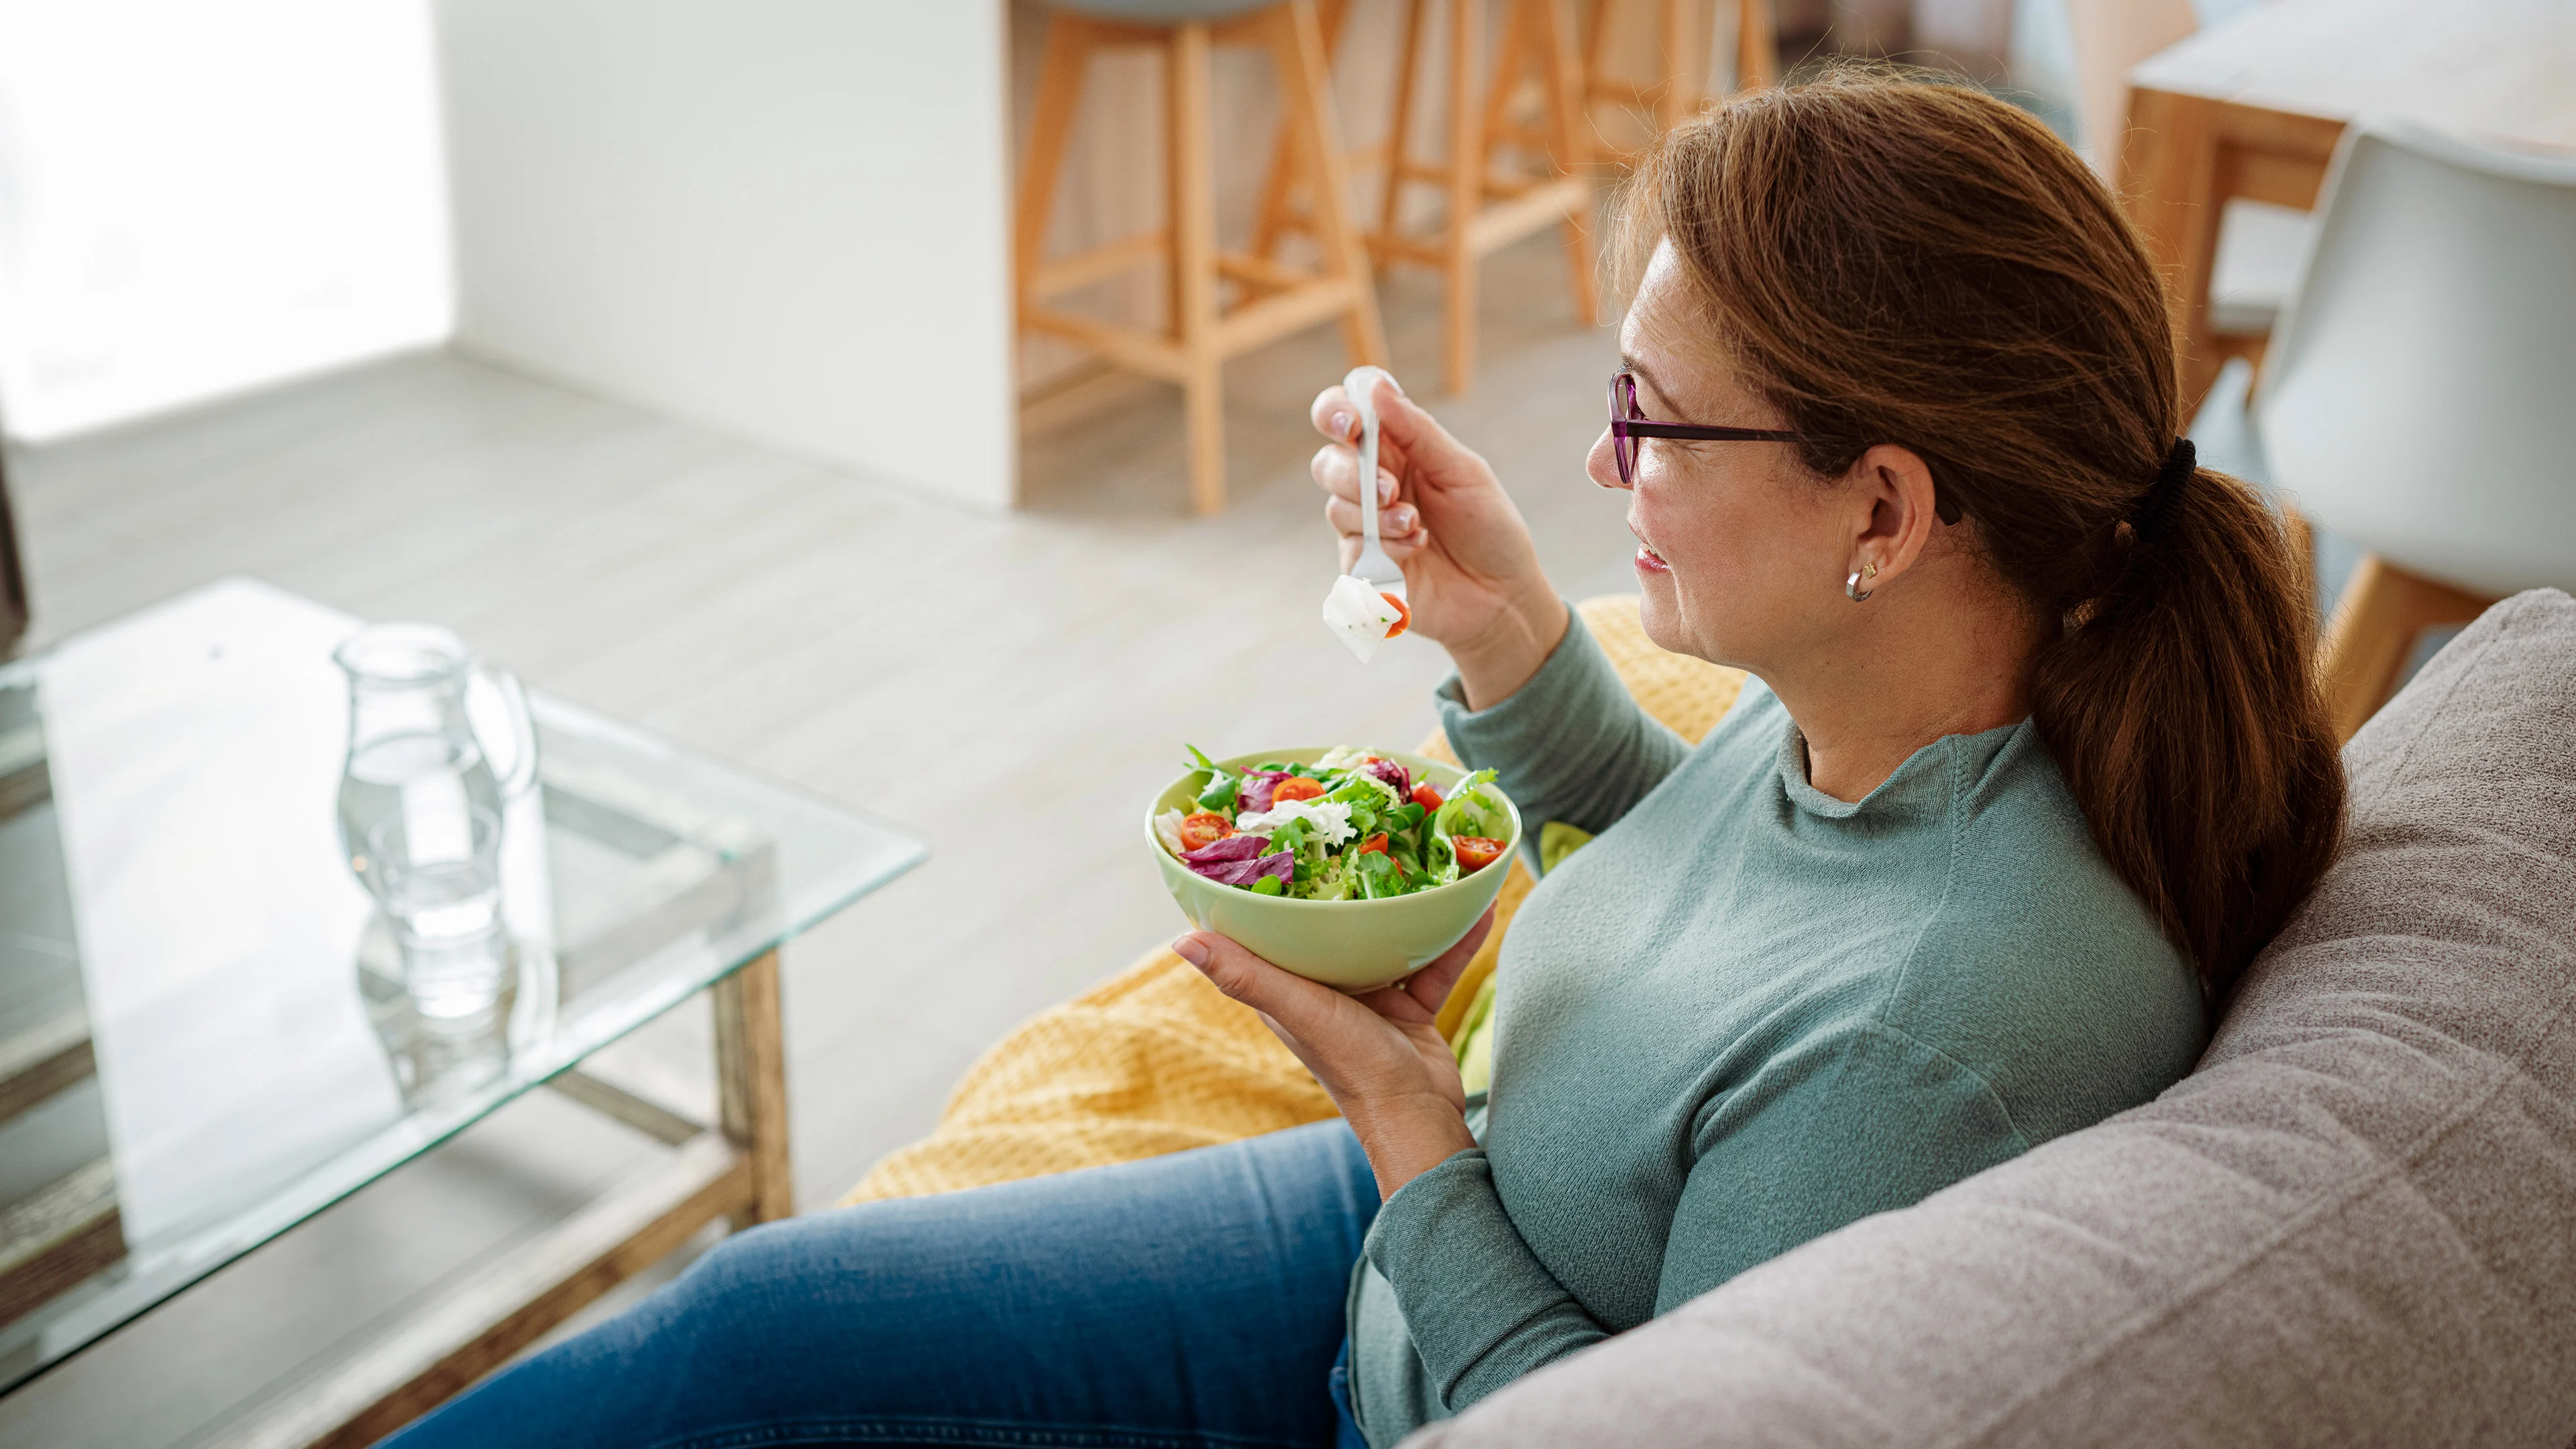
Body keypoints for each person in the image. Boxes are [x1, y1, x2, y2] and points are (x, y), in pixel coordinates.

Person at [384, 68, 2343, 1449]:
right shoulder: (1936, 692)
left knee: (737, 1378)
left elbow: (1605, 1422)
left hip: (1440, 1320)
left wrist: (1405, 1120)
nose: (1603, 469)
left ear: (1887, 509)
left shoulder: (1945, 1042)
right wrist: (1504, 629)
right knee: (738, 1325)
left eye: (1655, 422)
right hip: (1440, 1217)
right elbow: (1752, 891)